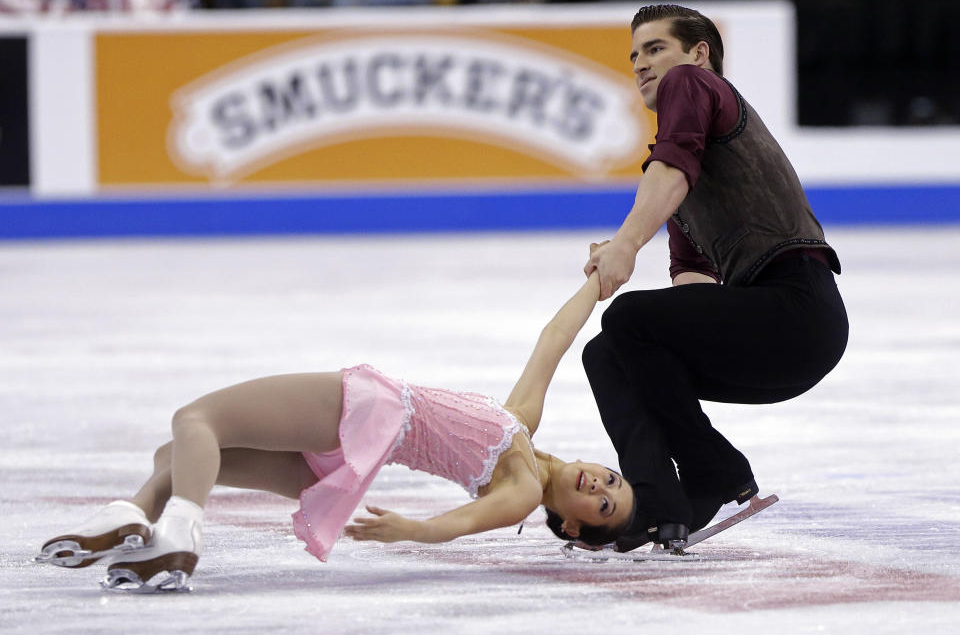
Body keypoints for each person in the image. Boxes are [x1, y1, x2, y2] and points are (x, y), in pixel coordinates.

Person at [35, 270, 635, 592]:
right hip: (352, 457)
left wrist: (413, 530)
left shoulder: (524, 492)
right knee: (178, 453)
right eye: (612, 477)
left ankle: (177, 531)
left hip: (370, 411)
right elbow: (554, 340)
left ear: (574, 525)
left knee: (196, 421)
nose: (599, 483)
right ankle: (137, 520)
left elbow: (463, 524)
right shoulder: (522, 427)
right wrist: (598, 280)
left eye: (602, 503)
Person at [581, 4, 848, 552]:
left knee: (628, 317)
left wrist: (626, 244)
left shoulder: (693, 84)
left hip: (798, 311)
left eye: (655, 48)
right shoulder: (684, 183)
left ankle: (712, 470)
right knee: (609, 352)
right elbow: (693, 289)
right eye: (634, 56)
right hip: (778, 341)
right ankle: (658, 502)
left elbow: (673, 163)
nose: (641, 65)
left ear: (700, 54)